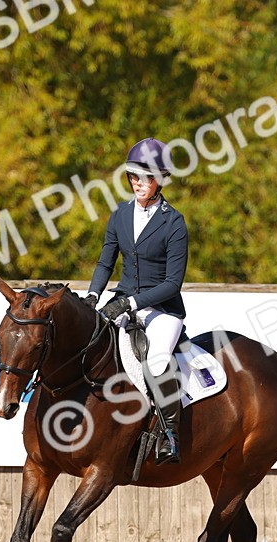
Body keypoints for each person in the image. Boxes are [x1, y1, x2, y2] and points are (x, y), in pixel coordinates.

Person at [85, 137, 189, 464]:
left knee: (157, 362)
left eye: (145, 177)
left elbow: (173, 283)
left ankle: (170, 435)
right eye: (133, 176)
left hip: (162, 309)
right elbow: (105, 263)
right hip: (122, 300)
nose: (138, 183)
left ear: (160, 180)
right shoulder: (119, 215)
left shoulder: (174, 222)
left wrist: (131, 304)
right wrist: (92, 296)